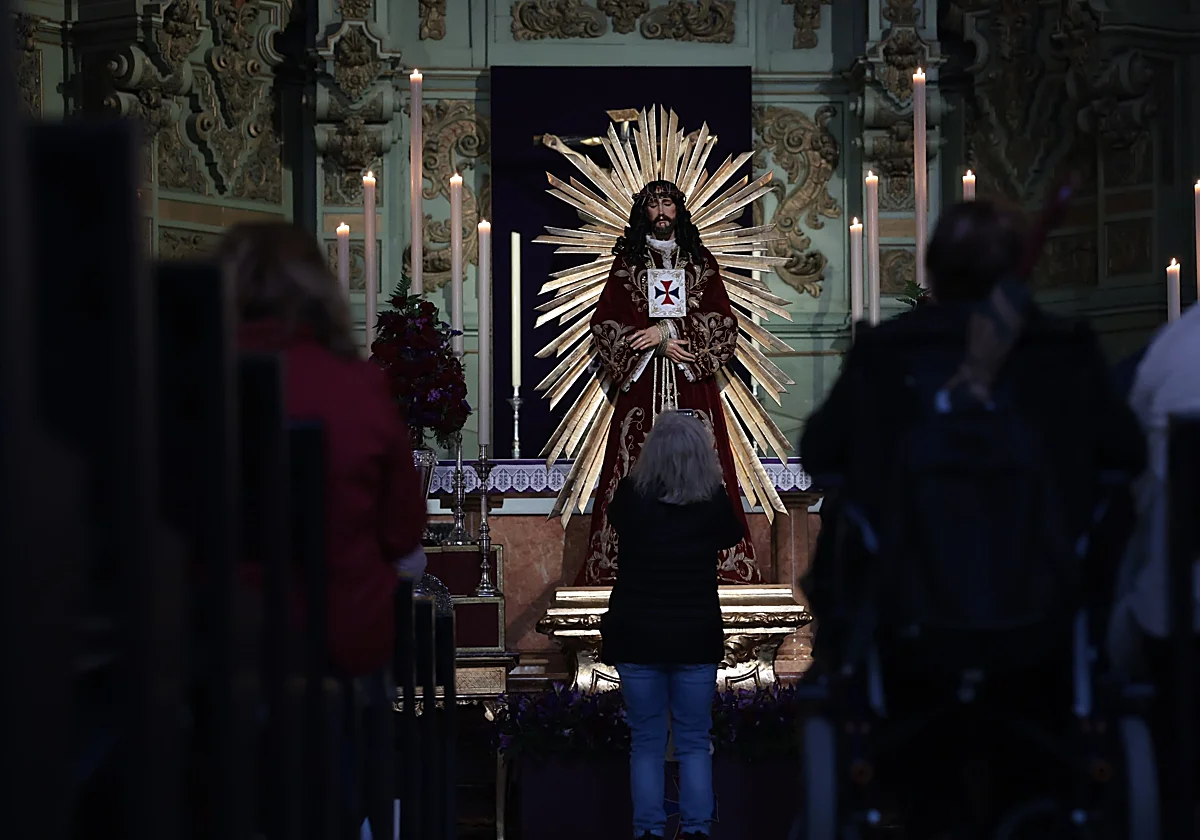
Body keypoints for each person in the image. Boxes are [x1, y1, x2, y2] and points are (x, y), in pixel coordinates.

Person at [800, 200, 1145, 836]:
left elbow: (820, 453)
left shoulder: (888, 353)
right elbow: (1128, 453)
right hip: (1042, 619)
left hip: (911, 624)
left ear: (932, 273)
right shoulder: (1063, 352)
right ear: (1017, 272)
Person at [218, 221, 428, 678]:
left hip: (220, 644)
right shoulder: (356, 387)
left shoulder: (186, 385)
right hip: (341, 642)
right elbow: (402, 532)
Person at [578, 179, 758, 586]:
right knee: (634, 461)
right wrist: (651, 342)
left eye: (668, 204)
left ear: (680, 211)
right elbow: (605, 324)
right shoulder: (628, 264)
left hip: (690, 381)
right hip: (644, 384)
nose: (661, 211)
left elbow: (723, 324)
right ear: (643, 213)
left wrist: (671, 333)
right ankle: (622, 562)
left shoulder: (701, 262)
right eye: (653, 205)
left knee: (703, 461)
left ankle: (717, 563)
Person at [599, 410, 744, 840]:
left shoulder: (631, 495)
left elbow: (615, 519)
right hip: (694, 633)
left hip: (638, 632)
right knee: (694, 740)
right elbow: (732, 536)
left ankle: (648, 830)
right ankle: (697, 828)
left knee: (645, 739)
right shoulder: (711, 500)